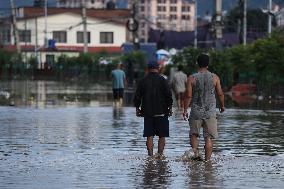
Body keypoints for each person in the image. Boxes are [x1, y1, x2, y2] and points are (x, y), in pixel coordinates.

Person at [183, 53, 225, 162]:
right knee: (208, 138)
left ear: (197, 63)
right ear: (208, 64)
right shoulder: (215, 77)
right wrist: (222, 106)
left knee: (194, 134)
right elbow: (220, 93)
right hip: (210, 112)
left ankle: (196, 156)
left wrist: (184, 110)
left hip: (196, 111)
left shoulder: (192, 78)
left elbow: (188, 95)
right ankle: (207, 162)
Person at [133, 60, 173, 157]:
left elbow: (137, 97)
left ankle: (150, 157)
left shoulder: (143, 81)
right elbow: (168, 95)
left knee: (149, 135)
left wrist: (137, 108)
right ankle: (160, 155)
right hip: (162, 111)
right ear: (158, 68)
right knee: (162, 135)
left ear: (148, 69)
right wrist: (170, 107)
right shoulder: (163, 80)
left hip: (147, 112)